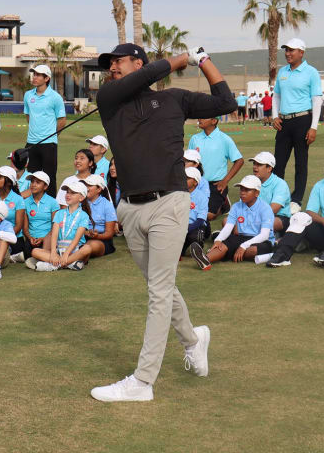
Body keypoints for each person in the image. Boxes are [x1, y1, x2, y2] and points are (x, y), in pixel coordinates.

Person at [89, 42, 234, 402]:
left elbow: (226, 102)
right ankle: (194, 339)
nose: (112, 69)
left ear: (137, 61)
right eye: (109, 65)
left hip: (169, 202)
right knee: (161, 288)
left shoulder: (175, 100)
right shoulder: (110, 99)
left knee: (158, 292)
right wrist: (176, 60)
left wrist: (203, 60)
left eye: (118, 62)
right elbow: (148, 74)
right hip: (130, 209)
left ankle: (142, 381)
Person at [271, 38, 322, 209]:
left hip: (303, 120)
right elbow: (276, 95)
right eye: (286, 50)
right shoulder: (282, 72)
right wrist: (274, 116)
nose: (288, 53)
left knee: (300, 161)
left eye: (291, 50)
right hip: (284, 122)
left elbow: (316, 100)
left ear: (301, 52)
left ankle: (296, 199)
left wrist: (313, 127)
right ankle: (278, 196)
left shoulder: (311, 72)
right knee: (278, 162)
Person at [190, 175, 275, 269]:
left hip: (262, 240)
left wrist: (243, 246)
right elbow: (228, 227)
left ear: (257, 193)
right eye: (241, 189)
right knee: (221, 245)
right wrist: (218, 240)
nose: (242, 193)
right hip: (241, 237)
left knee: (252, 251)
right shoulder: (236, 206)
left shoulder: (265, 208)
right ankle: (205, 260)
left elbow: (264, 235)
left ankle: (228, 252)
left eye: (247, 190)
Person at [26, 182, 94, 272]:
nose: (68, 195)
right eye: (67, 192)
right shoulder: (59, 213)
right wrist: (53, 252)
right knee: (35, 251)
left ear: (81, 198)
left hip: (76, 251)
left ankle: (53, 265)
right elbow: (54, 235)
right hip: (59, 251)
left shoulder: (84, 215)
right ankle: (70, 264)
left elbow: (77, 238)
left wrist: (66, 254)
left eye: (73, 193)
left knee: (87, 248)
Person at [187, 116, 243, 221]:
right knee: (188, 210)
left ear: (214, 121)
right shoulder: (194, 139)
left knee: (209, 215)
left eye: (204, 117)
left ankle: (223, 205)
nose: (199, 119)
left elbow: (239, 161)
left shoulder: (224, 139)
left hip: (216, 184)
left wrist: (225, 181)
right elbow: (189, 160)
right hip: (196, 183)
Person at [24, 64, 66, 198]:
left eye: (38, 75)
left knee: (49, 178)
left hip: (49, 144)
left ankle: (51, 208)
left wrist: (52, 136)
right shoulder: (28, 95)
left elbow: (62, 120)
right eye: (34, 74)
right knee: (31, 178)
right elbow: (28, 116)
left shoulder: (55, 97)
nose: (34, 77)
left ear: (46, 78)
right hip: (31, 143)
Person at [0, 166, 26, 261]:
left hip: (13, 237)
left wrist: (4, 237)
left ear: (8, 181)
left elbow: (18, 226)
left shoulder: (18, 199)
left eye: (0, 177)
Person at [249, 151, 291, 234]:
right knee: (226, 221)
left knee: (265, 223)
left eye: (259, 164)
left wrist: (253, 218)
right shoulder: (250, 181)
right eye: (254, 163)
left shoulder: (280, 184)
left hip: (278, 217)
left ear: (269, 168)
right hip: (254, 216)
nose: (255, 167)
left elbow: (273, 209)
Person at [22, 171, 60, 260]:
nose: (33, 185)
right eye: (32, 181)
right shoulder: (25, 202)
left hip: (48, 239)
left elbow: (55, 226)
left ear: (45, 186)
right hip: (32, 239)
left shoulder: (53, 202)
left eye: (38, 182)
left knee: (40, 251)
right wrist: (30, 238)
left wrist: (43, 238)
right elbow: (25, 228)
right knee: (28, 252)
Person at [80, 174, 118, 257]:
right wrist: (85, 233)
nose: (86, 187)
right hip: (80, 237)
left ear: (99, 189)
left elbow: (109, 234)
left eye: (89, 185)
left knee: (90, 246)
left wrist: (97, 236)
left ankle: (72, 258)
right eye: (85, 185)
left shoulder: (107, 205)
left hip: (101, 240)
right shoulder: (79, 202)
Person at [181, 167, 208, 258]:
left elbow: (201, 219)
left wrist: (187, 229)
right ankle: (182, 250)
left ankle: (197, 247)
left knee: (195, 236)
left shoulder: (202, 197)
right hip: (180, 225)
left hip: (195, 225)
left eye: (187, 178)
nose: (184, 180)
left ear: (195, 182)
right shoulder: (177, 194)